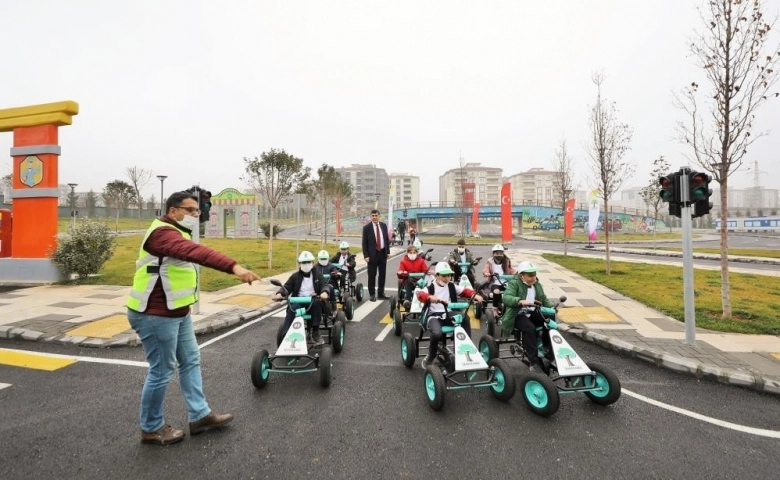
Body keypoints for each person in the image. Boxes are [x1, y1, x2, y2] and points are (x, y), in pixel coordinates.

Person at [126, 191, 261, 446]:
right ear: (173, 210)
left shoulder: (176, 231)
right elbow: (197, 253)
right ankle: (151, 427)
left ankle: (199, 415)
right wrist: (236, 268)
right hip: (154, 314)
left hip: (177, 311)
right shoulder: (163, 234)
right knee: (161, 370)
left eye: (197, 211)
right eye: (190, 210)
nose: (195, 215)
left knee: (190, 360)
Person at [415, 262, 483, 370]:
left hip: (448, 314)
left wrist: (474, 295)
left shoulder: (451, 285)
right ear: (437, 275)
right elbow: (419, 294)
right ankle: (431, 356)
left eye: (449, 275)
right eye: (444, 275)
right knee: (437, 333)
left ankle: (464, 350)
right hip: (433, 316)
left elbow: (464, 291)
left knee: (464, 318)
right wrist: (429, 297)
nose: (447, 278)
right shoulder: (430, 288)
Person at [500, 261, 554, 373]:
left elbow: (543, 299)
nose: (533, 278)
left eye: (534, 275)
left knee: (550, 318)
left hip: (532, 311)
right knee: (529, 329)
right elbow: (506, 297)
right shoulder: (514, 284)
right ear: (521, 275)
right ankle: (534, 362)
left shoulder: (537, 284)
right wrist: (518, 301)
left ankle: (547, 348)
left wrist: (551, 307)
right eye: (530, 276)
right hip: (517, 314)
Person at [272, 251, 329, 346]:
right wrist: (279, 294)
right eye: (303, 262)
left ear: (312, 262)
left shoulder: (318, 275)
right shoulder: (295, 276)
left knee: (317, 303)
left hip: (313, 301)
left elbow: (324, 285)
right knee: (293, 307)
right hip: (299, 301)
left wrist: (324, 292)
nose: (306, 264)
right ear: (300, 264)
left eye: (308, 262)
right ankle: (286, 335)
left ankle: (315, 332)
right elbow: (286, 287)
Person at [361, 209, 390, 301]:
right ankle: (372, 294)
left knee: (382, 275)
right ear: (371, 216)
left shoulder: (383, 226)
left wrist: (387, 251)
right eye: (373, 216)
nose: (374, 217)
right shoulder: (366, 228)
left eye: (376, 215)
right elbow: (364, 243)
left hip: (382, 253)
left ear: (379, 216)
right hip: (372, 255)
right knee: (372, 275)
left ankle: (381, 293)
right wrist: (366, 255)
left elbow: (386, 240)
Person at [397, 244, 429, 309]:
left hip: (420, 280)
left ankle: (426, 300)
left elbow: (425, 270)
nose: (412, 254)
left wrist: (428, 272)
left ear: (417, 253)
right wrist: (401, 273)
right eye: (410, 253)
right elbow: (401, 272)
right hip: (408, 280)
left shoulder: (421, 261)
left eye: (414, 253)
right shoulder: (403, 262)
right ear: (407, 253)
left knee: (427, 284)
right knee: (409, 281)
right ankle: (407, 300)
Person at [316, 249, 341, 314]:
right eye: (322, 259)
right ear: (318, 258)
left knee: (330, 287)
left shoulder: (331, 266)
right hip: (319, 285)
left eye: (325, 259)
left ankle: (334, 306)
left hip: (330, 284)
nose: (323, 260)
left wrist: (336, 274)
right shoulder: (315, 267)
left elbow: (336, 271)